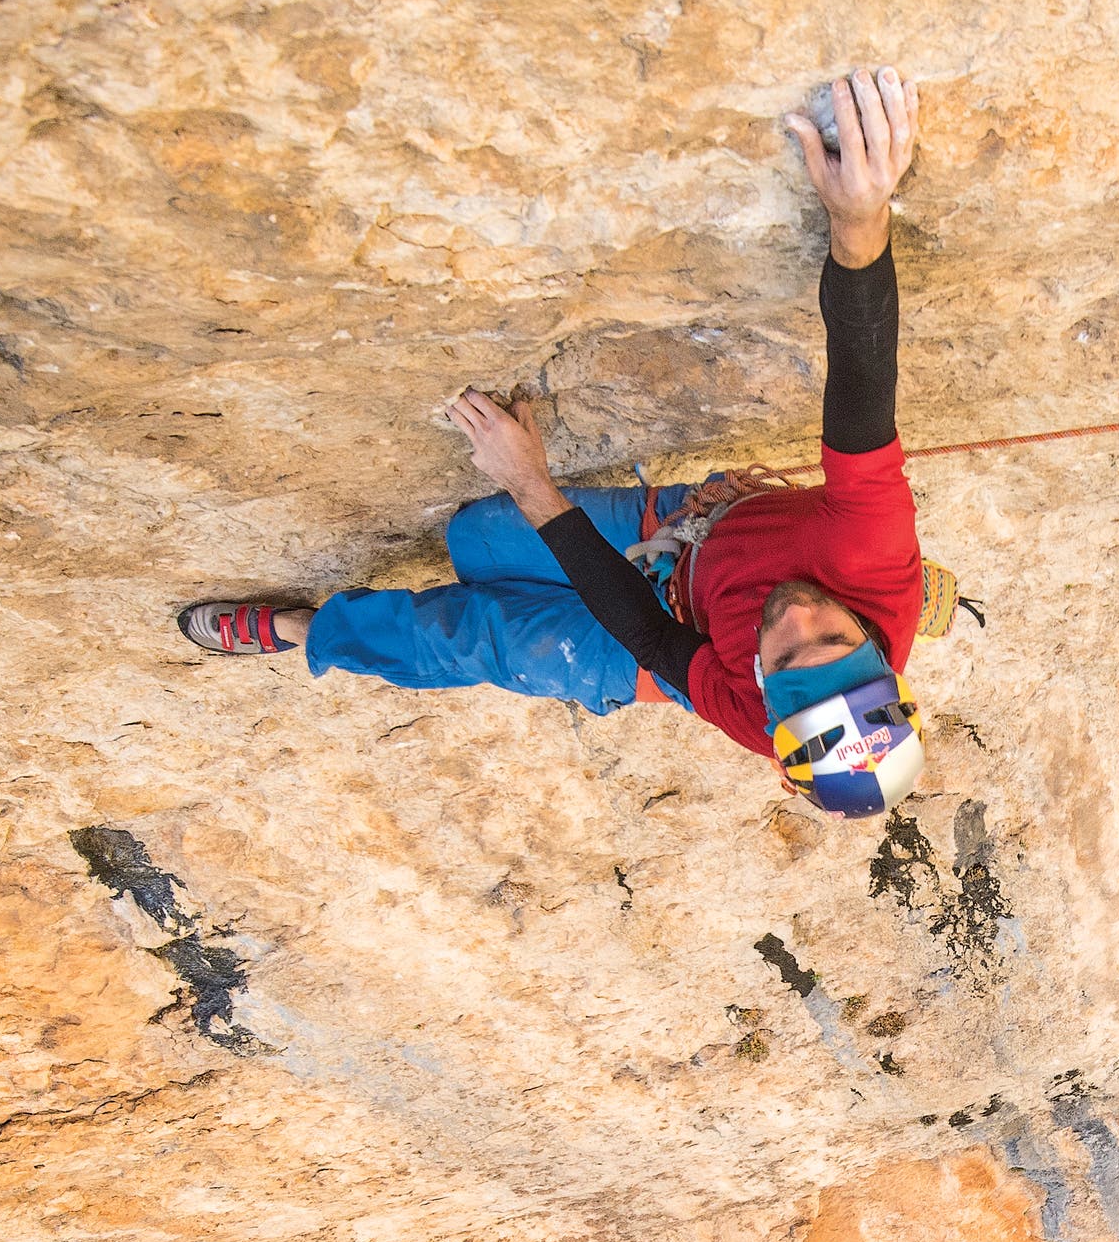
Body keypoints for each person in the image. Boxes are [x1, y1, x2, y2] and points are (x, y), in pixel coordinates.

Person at [177, 66, 937, 819]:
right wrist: (861, 221)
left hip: (670, 633)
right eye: (834, 634)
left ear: (769, 700)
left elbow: (648, 635)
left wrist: (531, 481)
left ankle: (314, 631)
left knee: (478, 640)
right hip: (694, 537)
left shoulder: (766, 725)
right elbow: (864, 385)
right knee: (474, 539)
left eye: (785, 656)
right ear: (874, 646)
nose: (796, 616)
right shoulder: (868, 554)